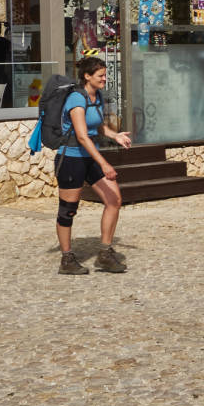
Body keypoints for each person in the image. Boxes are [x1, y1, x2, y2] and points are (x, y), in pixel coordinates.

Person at [55, 55, 131, 275]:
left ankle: (104, 254)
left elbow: (96, 128)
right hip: (70, 158)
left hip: (89, 157)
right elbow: (81, 136)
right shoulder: (76, 99)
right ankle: (67, 259)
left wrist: (115, 135)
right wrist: (105, 163)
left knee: (114, 199)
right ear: (87, 76)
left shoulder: (96, 97)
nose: (105, 79)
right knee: (67, 211)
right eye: (101, 75)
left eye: (105, 75)